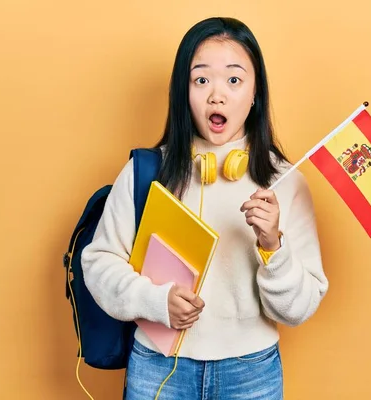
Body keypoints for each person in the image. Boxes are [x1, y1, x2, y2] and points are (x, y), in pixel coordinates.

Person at [81, 16, 329, 400]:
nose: (218, 95)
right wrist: (156, 302)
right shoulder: (148, 171)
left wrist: (273, 246)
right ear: (184, 91)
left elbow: (297, 309)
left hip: (251, 373)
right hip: (158, 367)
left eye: (234, 80)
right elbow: (98, 264)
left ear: (254, 93)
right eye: (201, 80)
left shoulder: (286, 181)